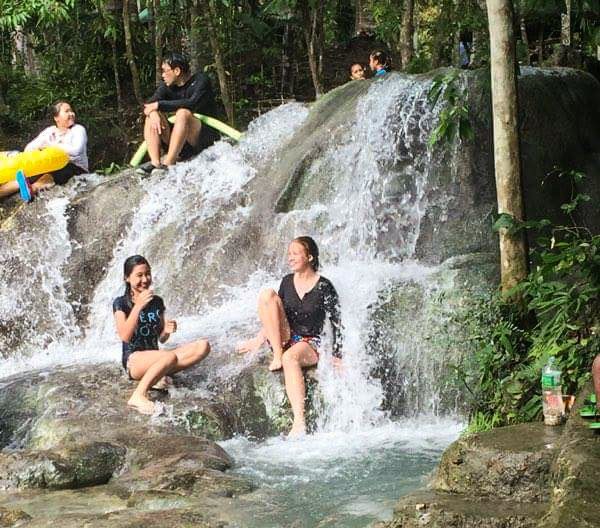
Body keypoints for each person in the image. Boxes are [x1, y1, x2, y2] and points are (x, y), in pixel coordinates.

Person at [238, 236, 343, 437]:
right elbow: (274, 313)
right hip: (287, 337)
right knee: (267, 295)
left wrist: (338, 355)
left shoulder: (324, 286)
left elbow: (337, 322)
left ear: (310, 257)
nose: (290, 258)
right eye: (289, 254)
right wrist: (258, 340)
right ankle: (277, 354)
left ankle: (299, 421)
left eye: (295, 254)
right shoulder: (287, 282)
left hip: (310, 342)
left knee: (290, 358)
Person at [113, 255, 210, 415]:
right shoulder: (120, 303)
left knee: (202, 346)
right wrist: (137, 307)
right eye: (139, 275)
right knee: (169, 357)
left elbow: (161, 339)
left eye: (147, 274)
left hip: (158, 357)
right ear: (127, 278)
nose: (145, 279)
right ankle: (138, 395)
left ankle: (157, 375)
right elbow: (124, 335)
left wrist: (166, 330)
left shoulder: (157, 301)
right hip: (134, 360)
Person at [137, 52, 219, 175]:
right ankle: (155, 163)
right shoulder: (166, 87)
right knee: (151, 116)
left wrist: (159, 105)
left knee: (183, 113)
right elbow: (148, 106)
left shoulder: (201, 79)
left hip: (202, 139)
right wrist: (153, 113)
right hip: (181, 145)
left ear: (177, 71)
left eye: (165, 71)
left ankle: (168, 163)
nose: (163, 75)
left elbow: (192, 103)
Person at [0, 101, 88, 200]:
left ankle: (32, 190)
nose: (71, 114)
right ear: (56, 118)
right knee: (27, 175)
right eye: (67, 111)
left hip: (74, 167)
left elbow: (76, 150)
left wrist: (51, 148)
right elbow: (29, 148)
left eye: (71, 111)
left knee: (52, 174)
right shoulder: (50, 132)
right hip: (52, 165)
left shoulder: (78, 129)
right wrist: (38, 152)